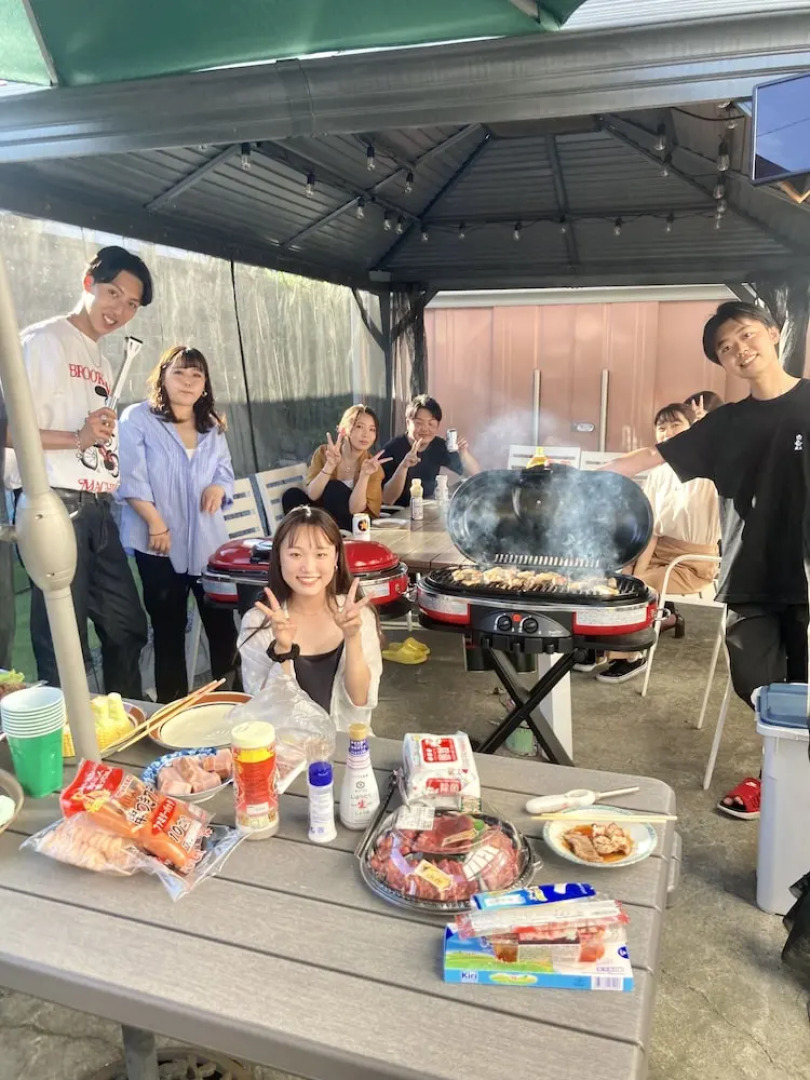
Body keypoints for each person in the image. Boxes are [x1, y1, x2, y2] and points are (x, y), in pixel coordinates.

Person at [601, 301, 808, 818]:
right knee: (756, 687)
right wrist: (585, 474)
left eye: (746, 335)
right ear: (721, 362)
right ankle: (784, 770)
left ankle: (779, 781)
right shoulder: (726, 425)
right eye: (725, 347)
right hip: (750, 575)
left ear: (774, 333)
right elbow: (653, 456)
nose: (740, 349)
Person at [4, 246, 152, 697]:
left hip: (97, 508)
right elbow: (7, 428)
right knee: (62, 641)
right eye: (113, 293)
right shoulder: (40, 342)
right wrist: (77, 438)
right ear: (88, 281)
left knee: (127, 627)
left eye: (131, 304)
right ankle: (69, 744)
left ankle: (117, 723)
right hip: (53, 501)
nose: (120, 310)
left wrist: (94, 439)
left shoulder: (103, 360)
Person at [117, 346, 239, 704]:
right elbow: (131, 479)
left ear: (205, 385)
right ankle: (174, 711)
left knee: (222, 629)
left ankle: (228, 705)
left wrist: (219, 487)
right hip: (157, 546)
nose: (188, 382)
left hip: (208, 546)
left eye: (196, 375)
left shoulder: (212, 425)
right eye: (180, 373)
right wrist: (156, 524)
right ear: (163, 376)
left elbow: (225, 471)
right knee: (168, 632)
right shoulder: (138, 419)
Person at [594, 403, 720, 684]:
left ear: (692, 429)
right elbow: (651, 531)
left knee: (636, 587)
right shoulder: (657, 474)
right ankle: (601, 648)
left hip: (694, 562)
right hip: (658, 551)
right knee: (611, 580)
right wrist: (631, 570)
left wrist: (637, 578)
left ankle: (631, 655)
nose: (668, 432)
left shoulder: (711, 470)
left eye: (676, 425)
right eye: (661, 428)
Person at [238, 506, 382, 732]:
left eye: (321, 554)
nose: (308, 567)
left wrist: (352, 637)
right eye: (295, 554)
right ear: (279, 559)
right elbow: (264, 712)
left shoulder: (357, 615)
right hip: (286, 754)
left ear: (335, 558)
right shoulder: (258, 623)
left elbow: (361, 699)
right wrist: (283, 650)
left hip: (348, 751)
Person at [283, 404, 389, 532]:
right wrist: (330, 465)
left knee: (334, 489)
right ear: (343, 429)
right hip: (324, 518)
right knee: (292, 495)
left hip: (356, 525)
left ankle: (322, 535)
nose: (366, 434)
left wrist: (364, 475)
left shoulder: (373, 467)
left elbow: (356, 510)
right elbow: (312, 495)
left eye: (372, 430)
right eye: (359, 426)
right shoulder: (324, 453)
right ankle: (311, 537)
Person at [381, 394, 481, 507]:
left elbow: (476, 475)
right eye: (419, 423)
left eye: (431, 423)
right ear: (408, 423)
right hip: (396, 513)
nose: (425, 428)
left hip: (426, 509)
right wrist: (403, 466)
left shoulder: (439, 446)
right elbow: (387, 499)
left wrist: (464, 452)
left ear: (437, 426)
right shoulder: (392, 449)